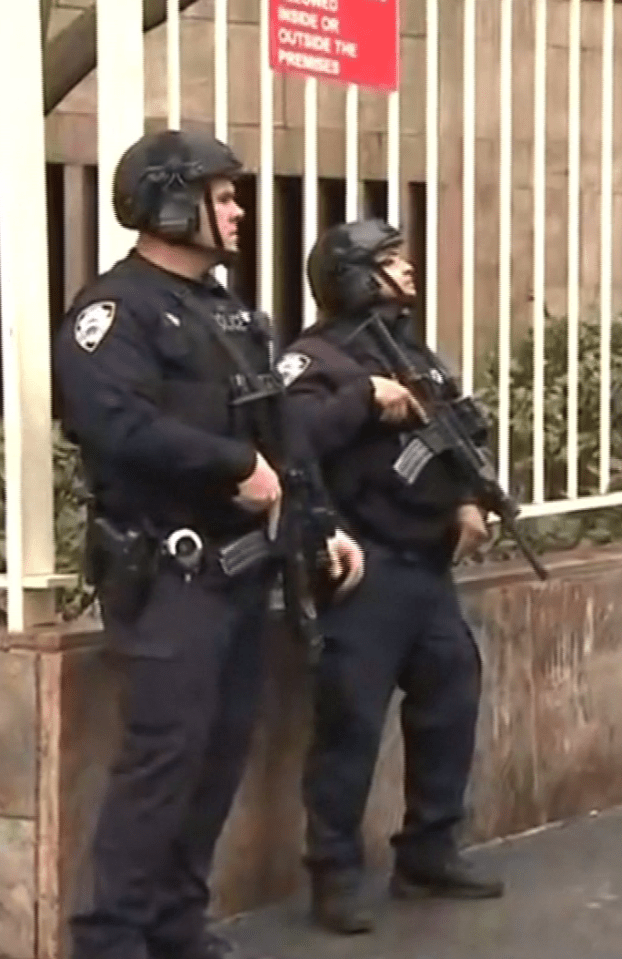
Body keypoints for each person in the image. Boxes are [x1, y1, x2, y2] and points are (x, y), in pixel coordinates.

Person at [53, 128, 364, 959]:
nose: (237, 209)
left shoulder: (230, 312)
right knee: (161, 767)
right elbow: (111, 422)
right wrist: (232, 465)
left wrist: (320, 519)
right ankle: (109, 939)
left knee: (215, 761)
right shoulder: (115, 310)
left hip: (242, 574)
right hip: (168, 574)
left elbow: (282, 430)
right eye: (223, 195)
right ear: (170, 202)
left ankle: (173, 923)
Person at [277, 219, 504, 934]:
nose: (406, 272)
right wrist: (364, 400)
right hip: (361, 567)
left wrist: (469, 499)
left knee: (450, 697)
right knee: (350, 724)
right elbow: (288, 438)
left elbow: (453, 438)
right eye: (387, 262)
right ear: (348, 275)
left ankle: (429, 851)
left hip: (426, 564)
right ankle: (334, 874)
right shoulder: (312, 359)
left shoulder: (412, 351)